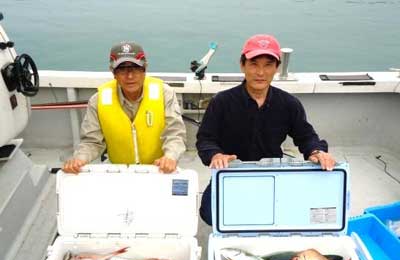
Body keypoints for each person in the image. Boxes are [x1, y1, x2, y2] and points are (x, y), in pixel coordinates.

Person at [196, 34, 336, 225]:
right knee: (210, 215)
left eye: (268, 65)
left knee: (289, 213)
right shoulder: (222, 101)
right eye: (254, 64)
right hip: (231, 172)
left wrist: (316, 151)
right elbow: (205, 139)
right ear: (242, 65)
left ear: (276, 68)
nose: (260, 72)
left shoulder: (288, 103)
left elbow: (306, 136)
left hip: (272, 172)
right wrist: (215, 155)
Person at [63, 41, 186, 173]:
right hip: (119, 170)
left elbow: (175, 133)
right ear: (113, 73)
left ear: (145, 70)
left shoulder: (164, 93)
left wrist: (170, 157)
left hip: (158, 168)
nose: (130, 76)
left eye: (136, 68)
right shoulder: (97, 100)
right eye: (122, 70)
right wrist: (79, 159)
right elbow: (91, 141)